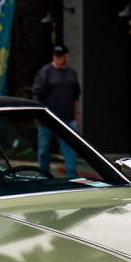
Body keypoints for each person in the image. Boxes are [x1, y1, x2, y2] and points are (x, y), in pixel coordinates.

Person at [32, 45, 81, 177]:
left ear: (67, 57)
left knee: (70, 149)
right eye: (56, 56)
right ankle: (43, 177)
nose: (58, 58)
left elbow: (76, 95)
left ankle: (72, 177)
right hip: (48, 118)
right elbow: (37, 93)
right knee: (43, 150)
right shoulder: (45, 72)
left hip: (67, 118)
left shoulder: (72, 73)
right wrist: (39, 114)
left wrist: (76, 113)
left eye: (60, 56)